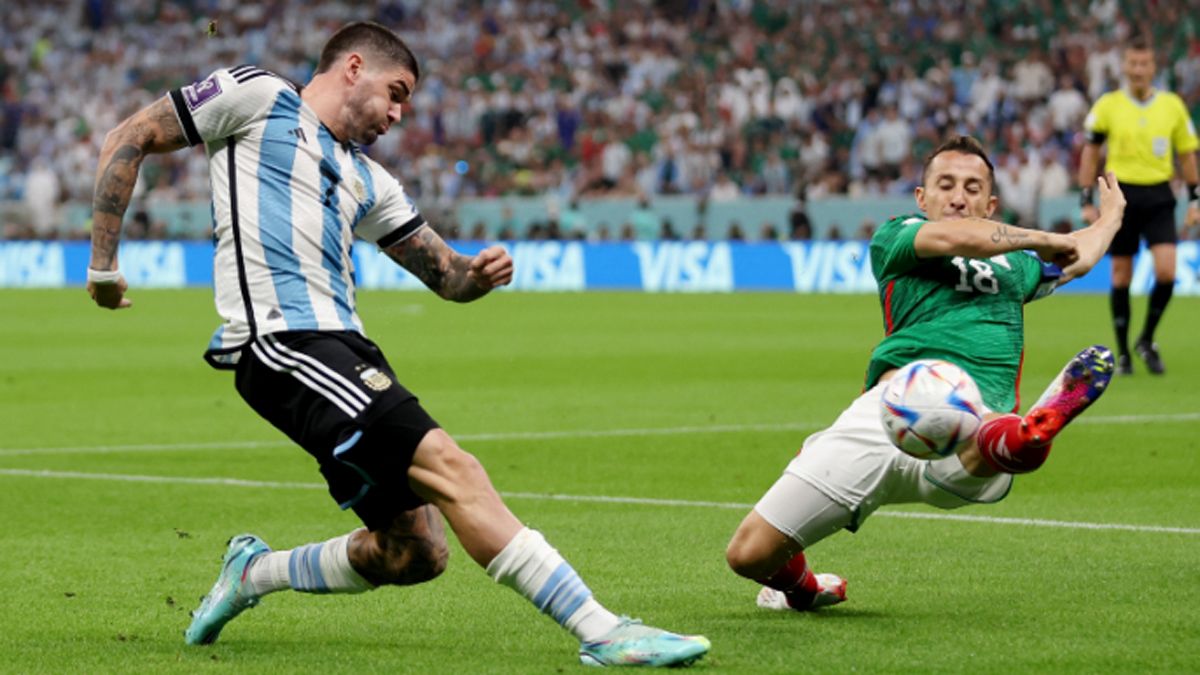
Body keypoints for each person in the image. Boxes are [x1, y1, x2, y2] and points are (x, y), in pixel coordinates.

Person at [85, 22, 709, 668]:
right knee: (454, 467)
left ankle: (254, 572)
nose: (398, 114)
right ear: (353, 67)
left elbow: (444, 276)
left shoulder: (369, 180)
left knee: (413, 551)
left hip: (345, 350)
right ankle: (603, 629)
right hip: (282, 343)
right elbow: (130, 136)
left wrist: (478, 274)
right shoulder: (260, 95)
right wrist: (103, 266)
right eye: (396, 92)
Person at [725, 136, 1126, 612]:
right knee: (748, 554)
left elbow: (1079, 258)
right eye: (947, 184)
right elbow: (958, 238)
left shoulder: (1017, 265)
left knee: (984, 434)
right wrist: (1044, 237)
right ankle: (804, 589)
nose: (959, 196)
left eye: (973, 188)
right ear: (922, 198)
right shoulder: (898, 237)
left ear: (990, 202)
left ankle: (1021, 438)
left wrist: (1110, 218)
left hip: (956, 410)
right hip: (896, 416)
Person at [1079, 34, 1200, 375]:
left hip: (1160, 195)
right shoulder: (1108, 105)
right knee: (1120, 276)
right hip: (1122, 197)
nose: (1137, 70)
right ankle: (1123, 354)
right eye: (1132, 63)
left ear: (1153, 67)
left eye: (1143, 64)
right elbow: (1090, 153)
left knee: (1166, 271)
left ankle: (1146, 338)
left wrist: (1195, 198)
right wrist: (1086, 198)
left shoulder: (1172, 105)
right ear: (1124, 66)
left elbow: (1187, 155)